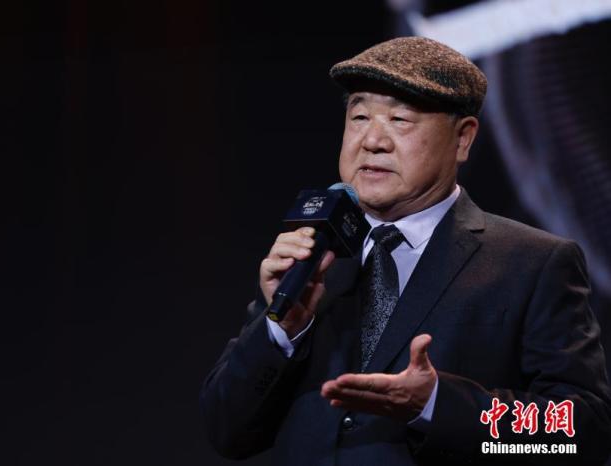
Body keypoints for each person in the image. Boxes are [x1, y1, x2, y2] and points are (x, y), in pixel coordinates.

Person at [200, 37, 611, 465]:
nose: (372, 140)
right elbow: (227, 432)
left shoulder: (532, 263)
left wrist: (437, 404)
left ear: (463, 138)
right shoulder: (311, 260)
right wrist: (282, 333)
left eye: (400, 119)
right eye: (359, 116)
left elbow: (583, 435)